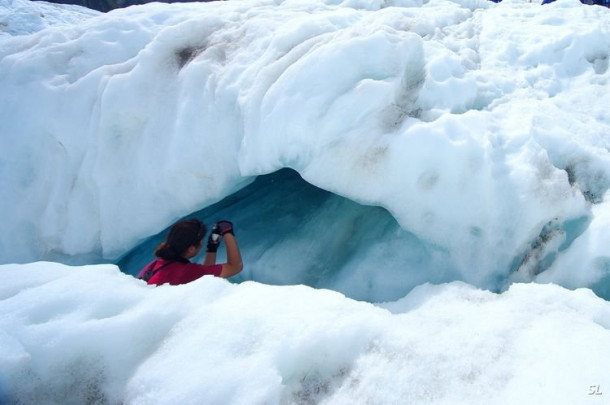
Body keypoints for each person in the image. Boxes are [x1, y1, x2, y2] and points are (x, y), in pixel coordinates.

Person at [137, 218, 243, 286]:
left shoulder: (154, 265)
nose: (202, 243)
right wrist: (227, 231)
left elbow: (204, 277)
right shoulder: (184, 271)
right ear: (191, 249)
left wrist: (212, 247)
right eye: (201, 240)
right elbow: (235, 267)